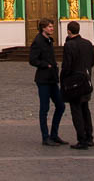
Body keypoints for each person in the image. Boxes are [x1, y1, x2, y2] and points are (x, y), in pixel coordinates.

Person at [29, 18, 67, 146]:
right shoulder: (38, 41)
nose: (52, 29)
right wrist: (46, 65)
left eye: (52, 26)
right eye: (50, 27)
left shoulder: (49, 40)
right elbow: (32, 60)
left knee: (61, 106)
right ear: (43, 28)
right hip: (43, 79)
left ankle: (54, 134)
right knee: (44, 109)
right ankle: (46, 137)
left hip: (52, 79)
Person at [60, 20, 94, 150]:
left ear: (69, 31)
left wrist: (63, 79)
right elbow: (92, 62)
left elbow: (67, 65)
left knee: (76, 111)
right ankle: (89, 137)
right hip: (86, 80)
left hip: (74, 83)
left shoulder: (69, 45)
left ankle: (81, 139)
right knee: (85, 109)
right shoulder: (88, 44)